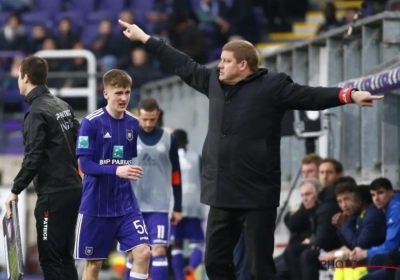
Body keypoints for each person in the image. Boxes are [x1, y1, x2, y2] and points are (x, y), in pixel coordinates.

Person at [117, 19, 383, 280]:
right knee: (215, 261)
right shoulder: (213, 82)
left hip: (256, 195)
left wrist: (349, 95)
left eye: (226, 61)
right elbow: (182, 63)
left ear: (243, 65)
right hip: (221, 193)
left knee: (259, 268)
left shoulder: (273, 86)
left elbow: (310, 96)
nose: (219, 65)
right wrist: (145, 39)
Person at [4, 56, 82, 280]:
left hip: (53, 195)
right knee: (65, 257)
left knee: (50, 258)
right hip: (73, 189)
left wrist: (15, 190)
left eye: (19, 75)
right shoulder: (62, 105)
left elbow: (33, 157)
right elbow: (79, 140)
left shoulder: (36, 112)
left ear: (25, 77)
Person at [74, 69, 151, 280]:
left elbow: (128, 160)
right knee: (94, 265)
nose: (124, 98)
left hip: (125, 205)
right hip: (96, 206)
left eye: (127, 92)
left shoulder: (134, 124)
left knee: (143, 253)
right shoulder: (91, 123)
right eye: (118, 93)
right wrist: (117, 170)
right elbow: (86, 165)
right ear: (106, 93)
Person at [126, 97, 182, 280]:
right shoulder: (128, 136)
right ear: (138, 116)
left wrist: (178, 206)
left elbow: (176, 174)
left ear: (158, 115)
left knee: (158, 250)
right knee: (132, 253)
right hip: (132, 205)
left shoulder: (169, 139)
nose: (148, 123)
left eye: (152, 119)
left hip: (159, 205)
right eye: (144, 119)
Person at [170, 128, 205, 280]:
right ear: (187, 142)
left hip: (174, 206)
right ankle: (190, 268)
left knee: (176, 245)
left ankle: (179, 277)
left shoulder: (168, 159)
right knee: (197, 243)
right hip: (193, 205)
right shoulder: (197, 158)